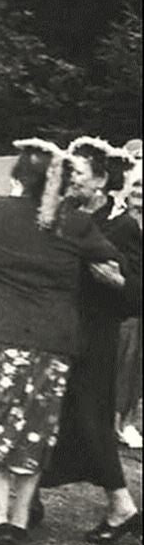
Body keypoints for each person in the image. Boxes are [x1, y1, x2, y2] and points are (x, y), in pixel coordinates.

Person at [0, 138, 121, 545]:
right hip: (50, 343)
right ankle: (21, 518)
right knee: (35, 429)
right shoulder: (76, 223)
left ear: (19, 178)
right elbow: (109, 259)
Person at [40, 137, 142, 544]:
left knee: (91, 418)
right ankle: (27, 502)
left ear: (101, 180)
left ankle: (121, 507)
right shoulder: (61, 214)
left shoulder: (123, 226)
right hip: (57, 330)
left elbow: (138, 290)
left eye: (78, 173)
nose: (71, 179)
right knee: (47, 413)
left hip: (96, 336)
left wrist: (118, 282)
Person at [115, 145, 142, 449]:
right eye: (136, 185)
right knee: (124, 356)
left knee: (137, 365)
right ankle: (116, 420)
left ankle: (129, 419)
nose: (140, 192)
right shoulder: (118, 219)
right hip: (123, 302)